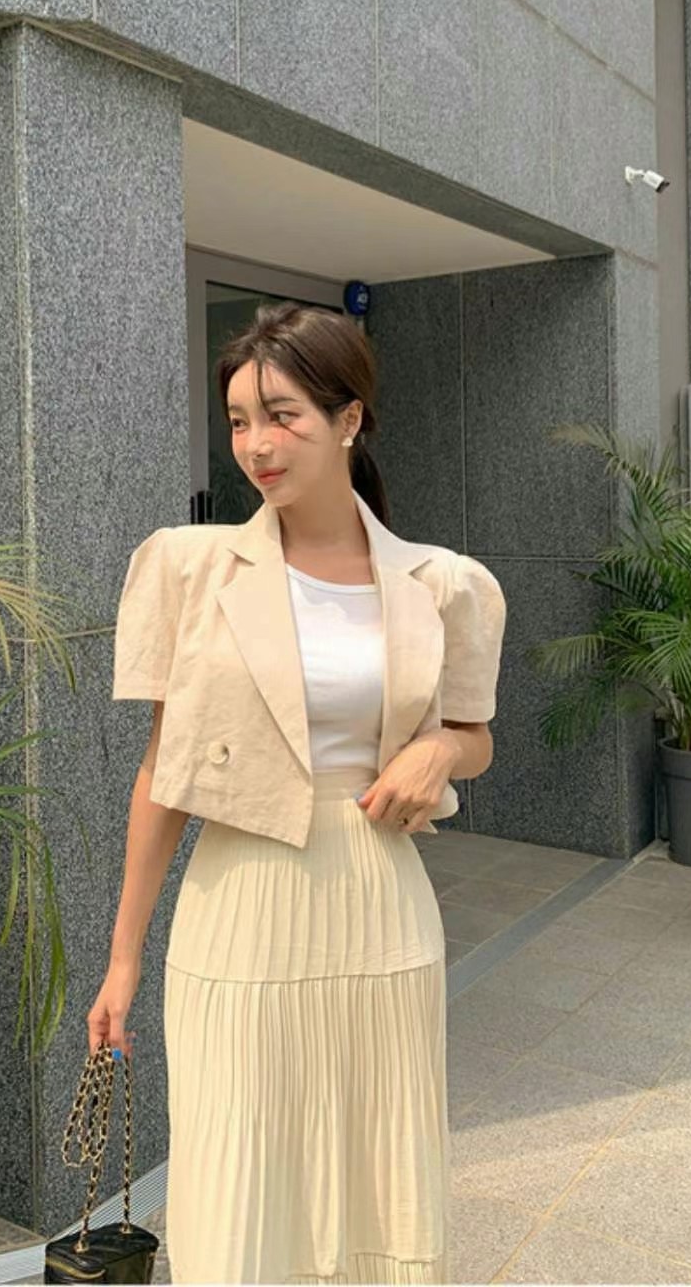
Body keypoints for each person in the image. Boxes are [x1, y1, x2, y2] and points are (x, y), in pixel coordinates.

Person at [88, 301, 506, 1284]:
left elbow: (477, 737)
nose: (257, 445)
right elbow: (163, 773)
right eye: (240, 421)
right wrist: (122, 958)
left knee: (379, 1171)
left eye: (282, 416)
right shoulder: (189, 569)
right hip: (237, 909)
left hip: (379, 908)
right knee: (237, 1179)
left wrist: (439, 750)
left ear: (348, 418)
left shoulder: (444, 584)